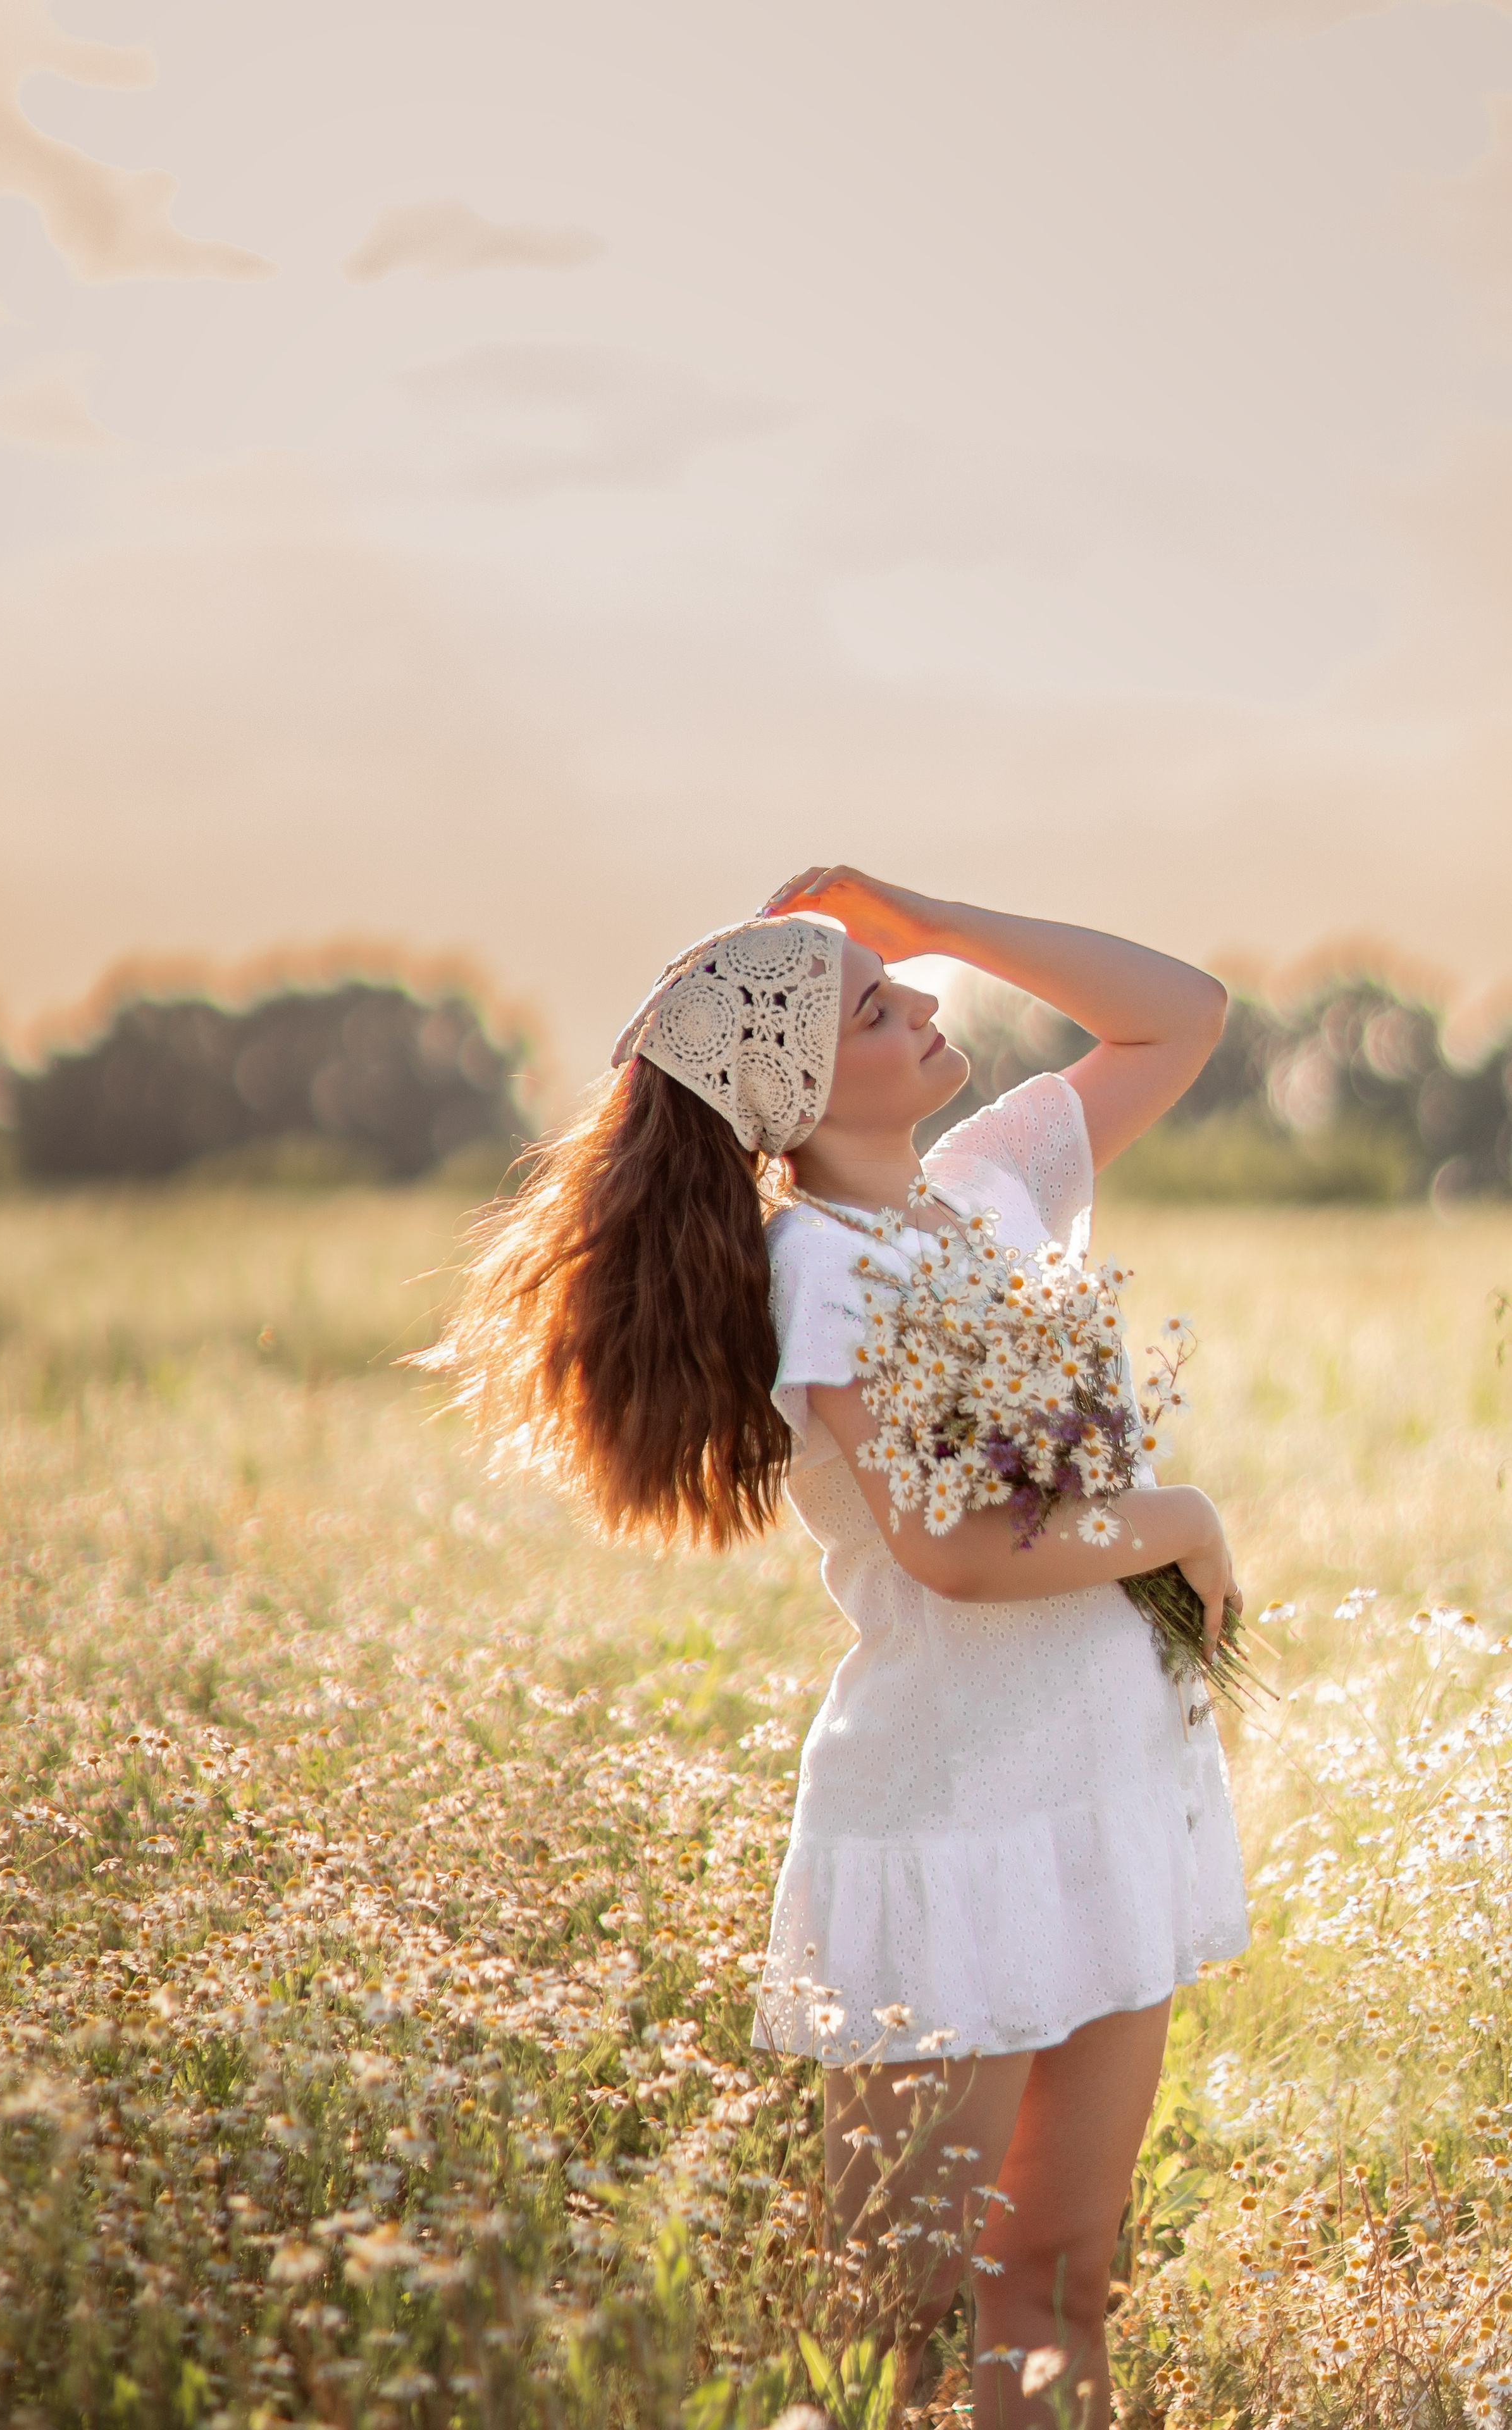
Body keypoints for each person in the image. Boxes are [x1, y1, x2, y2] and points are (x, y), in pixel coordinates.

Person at [433, 866, 1248, 2427]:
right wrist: (1179, 1519)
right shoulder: (822, 1271)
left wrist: (915, 911)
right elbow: (948, 1552)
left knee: (1064, 2278)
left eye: (899, 986)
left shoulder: (997, 1182)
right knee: (891, 2319)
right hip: (951, 1821)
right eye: (876, 1006)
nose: (928, 1007)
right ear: (796, 1088)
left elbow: (1181, 1016)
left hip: (1108, 1782)